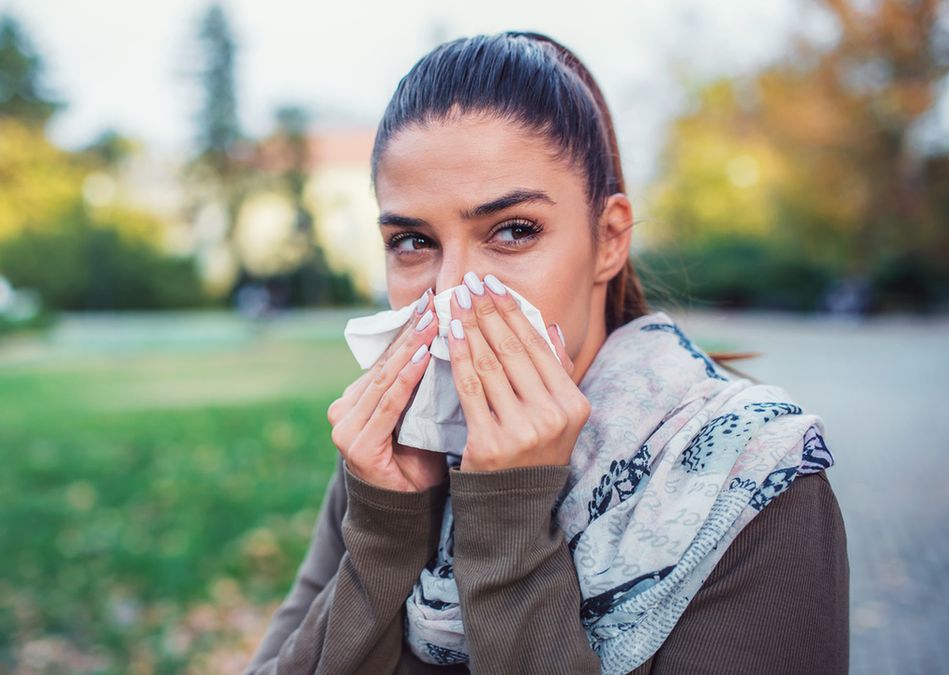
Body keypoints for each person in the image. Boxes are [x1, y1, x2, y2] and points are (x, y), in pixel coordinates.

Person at [244, 31, 848, 674]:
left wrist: (509, 518)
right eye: (413, 242)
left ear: (610, 239)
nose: (451, 292)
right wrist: (384, 539)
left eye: (512, 231)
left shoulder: (751, 484)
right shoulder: (392, 458)